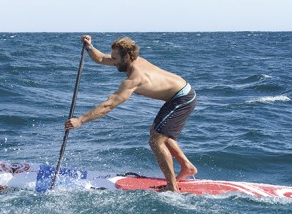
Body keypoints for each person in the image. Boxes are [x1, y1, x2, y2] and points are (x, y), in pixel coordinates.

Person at [65, 35, 197, 192]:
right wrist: (89, 47)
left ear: (127, 57)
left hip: (182, 98)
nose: (113, 62)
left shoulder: (134, 78)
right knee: (157, 132)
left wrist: (80, 120)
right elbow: (101, 59)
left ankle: (172, 187)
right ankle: (186, 166)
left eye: (115, 59)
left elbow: (108, 105)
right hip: (179, 94)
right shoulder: (133, 60)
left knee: (156, 141)